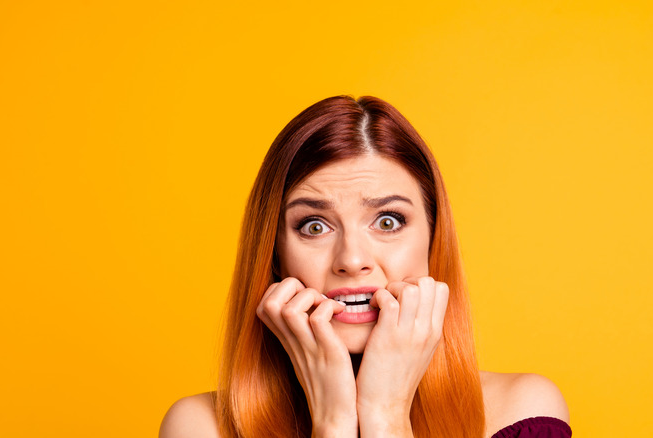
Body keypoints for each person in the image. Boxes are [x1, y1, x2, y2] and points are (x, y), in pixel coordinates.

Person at [160, 96, 571, 438]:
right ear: (274, 256)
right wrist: (334, 425)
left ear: (433, 241)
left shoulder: (520, 410)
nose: (352, 261)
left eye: (388, 221)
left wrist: (386, 416)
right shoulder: (202, 427)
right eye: (314, 225)